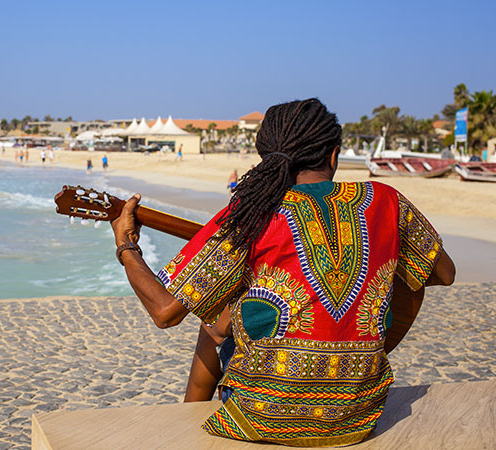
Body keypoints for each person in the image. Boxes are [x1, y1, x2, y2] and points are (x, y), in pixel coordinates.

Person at [110, 98, 455, 446]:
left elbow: (165, 311)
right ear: (333, 155)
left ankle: (187, 421)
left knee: (213, 323)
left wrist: (126, 246)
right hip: (357, 417)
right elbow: (444, 274)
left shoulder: (251, 213)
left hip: (259, 418)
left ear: (266, 158)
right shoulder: (387, 200)